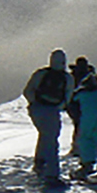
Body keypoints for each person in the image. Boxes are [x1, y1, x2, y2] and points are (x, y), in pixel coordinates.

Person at [22, 49, 73, 185]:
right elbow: (68, 97)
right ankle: (52, 175)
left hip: (37, 109)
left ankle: (40, 162)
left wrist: (34, 103)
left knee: (45, 135)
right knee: (52, 141)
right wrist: (58, 107)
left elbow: (28, 91)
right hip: (52, 111)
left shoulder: (41, 74)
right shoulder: (67, 78)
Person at [65, 55, 94, 157]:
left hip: (73, 104)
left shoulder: (72, 76)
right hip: (87, 105)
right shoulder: (90, 76)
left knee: (78, 125)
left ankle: (77, 147)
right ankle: (84, 147)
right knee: (86, 126)